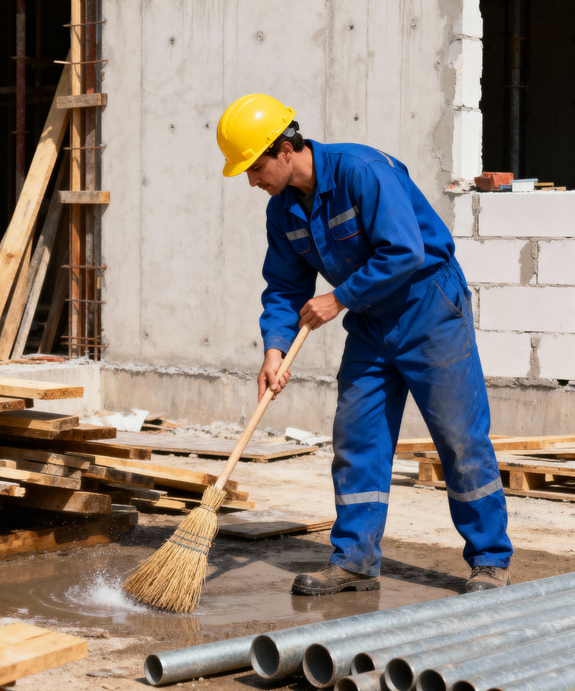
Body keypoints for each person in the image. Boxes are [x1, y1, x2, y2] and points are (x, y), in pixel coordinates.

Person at [216, 93, 513, 595]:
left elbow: (404, 250)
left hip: (428, 306)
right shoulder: (283, 210)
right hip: (372, 321)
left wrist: (339, 299)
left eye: (255, 166)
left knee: (460, 438)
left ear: (286, 148)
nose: (252, 180)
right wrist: (273, 349)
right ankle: (354, 559)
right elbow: (286, 287)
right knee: (357, 437)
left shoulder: (362, 170)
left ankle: (490, 560)